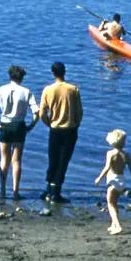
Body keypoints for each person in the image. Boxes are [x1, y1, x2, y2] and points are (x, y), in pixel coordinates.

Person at [0, 65, 40, 200]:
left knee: (4, 159)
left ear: (9, 76)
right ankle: (15, 191)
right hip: (19, 126)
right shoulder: (26, 91)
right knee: (16, 160)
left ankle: (3, 191)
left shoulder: (2, 89)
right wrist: (31, 125)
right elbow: (37, 112)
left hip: (5, 125)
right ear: (22, 77)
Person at [38, 62, 83, 203]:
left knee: (53, 159)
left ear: (53, 73)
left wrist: (49, 123)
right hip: (69, 129)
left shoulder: (48, 90)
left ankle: (48, 189)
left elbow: (42, 113)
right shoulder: (73, 89)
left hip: (55, 129)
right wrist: (76, 124)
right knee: (63, 161)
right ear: (65, 72)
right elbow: (79, 112)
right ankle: (56, 192)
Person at [94, 129, 131, 235]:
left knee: (110, 203)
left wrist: (99, 177)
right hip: (121, 180)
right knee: (115, 203)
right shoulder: (126, 155)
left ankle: (118, 225)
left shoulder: (110, 153)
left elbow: (107, 167)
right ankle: (113, 224)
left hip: (112, 180)